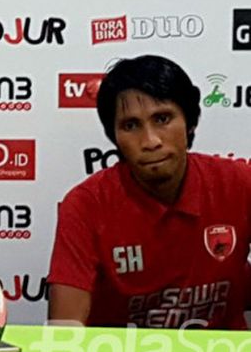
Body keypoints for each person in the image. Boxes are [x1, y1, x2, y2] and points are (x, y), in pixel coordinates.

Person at [47, 55, 250, 329]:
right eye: (131, 126)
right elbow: (64, 331)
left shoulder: (240, 183)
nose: (150, 141)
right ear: (114, 137)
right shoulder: (85, 205)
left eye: (162, 119)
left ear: (190, 122)